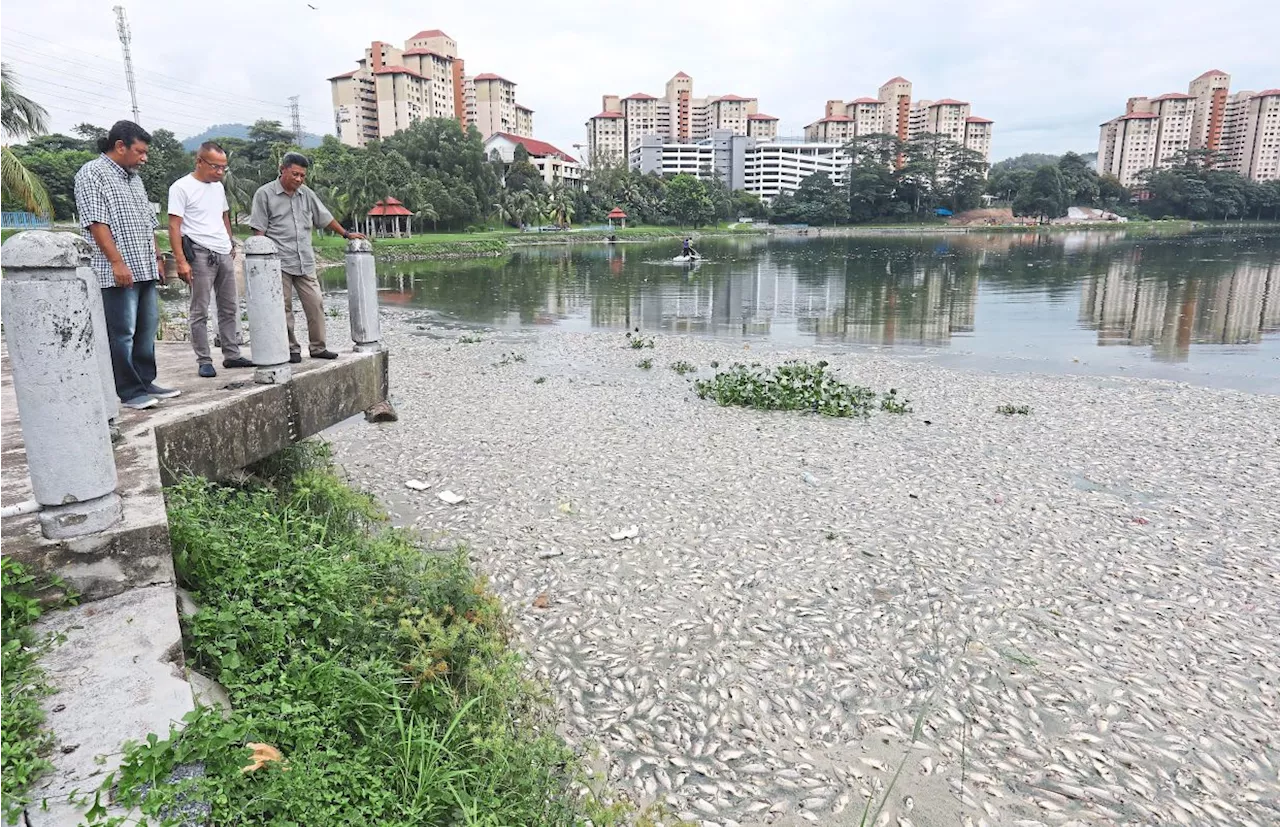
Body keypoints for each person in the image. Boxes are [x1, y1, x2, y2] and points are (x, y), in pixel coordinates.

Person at [74, 120, 178, 410]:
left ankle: (146, 380)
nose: (144, 158)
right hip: (117, 270)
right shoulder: (92, 174)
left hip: (144, 265)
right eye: (140, 152)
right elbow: (96, 223)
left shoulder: (134, 178)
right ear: (120, 146)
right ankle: (129, 391)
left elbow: (147, 223)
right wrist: (117, 263)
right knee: (122, 333)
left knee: (146, 328)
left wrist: (157, 257)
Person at [248, 152, 364, 363]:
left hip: (304, 260)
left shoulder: (306, 194)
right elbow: (259, 231)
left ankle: (318, 347)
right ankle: (291, 348)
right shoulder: (264, 194)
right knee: (282, 308)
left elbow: (325, 217)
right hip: (277, 262)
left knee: (316, 303)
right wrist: (261, 265)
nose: (299, 179)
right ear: (282, 169)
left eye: (303, 175)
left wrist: (345, 234)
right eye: (295, 174)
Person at [168, 141, 254, 378]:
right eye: (215, 167)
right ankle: (204, 359)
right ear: (199, 161)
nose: (219, 172)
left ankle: (232, 354)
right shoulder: (181, 187)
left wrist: (229, 242)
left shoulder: (217, 187)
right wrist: (181, 261)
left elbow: (223, 215)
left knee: (229, 306)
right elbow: (173, 226)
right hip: (199, 252)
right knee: (200, 309)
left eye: (223, 168)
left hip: (222, 251)